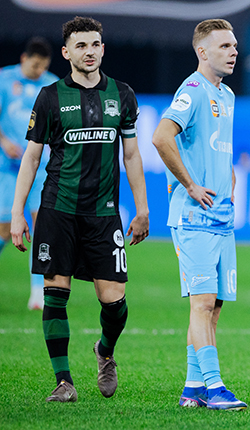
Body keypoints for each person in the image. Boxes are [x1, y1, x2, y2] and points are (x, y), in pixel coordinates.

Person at [10, 16, 149, 403]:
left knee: (115, 302)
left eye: (95, 44)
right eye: (81, 45)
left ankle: (105, 350)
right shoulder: (50, 97)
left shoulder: (122, 94)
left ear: (103, 48)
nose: (89, 51)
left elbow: (132, 155)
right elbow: (31, 158)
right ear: (67, 52)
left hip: (104, 214)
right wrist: (18, 212)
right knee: (56, 294)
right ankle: (64, 381)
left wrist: (142, 208)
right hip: (58, 209)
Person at [151, 18, 246, 411]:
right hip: (193, 217)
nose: (233, 52)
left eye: (234, 46)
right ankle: (216, 386)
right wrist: (190, 184)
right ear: (202, 52)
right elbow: (161, 137)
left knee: (214, 306)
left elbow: (217, 147)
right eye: (224, 46)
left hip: (220, 216)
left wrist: (230, 180)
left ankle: (193, 388)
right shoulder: (192, 90)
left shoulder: (227, 95)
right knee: (202, 302)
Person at [0, 37, 57, 310]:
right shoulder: (4, 79)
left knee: (40, 226)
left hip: (40, 167)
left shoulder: (52, 84)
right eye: (35, 66)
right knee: (4, 228)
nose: (39, 71)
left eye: (43, 66)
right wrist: (4, 142)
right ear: (24, 59)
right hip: (7, 167)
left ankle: (38, 293)